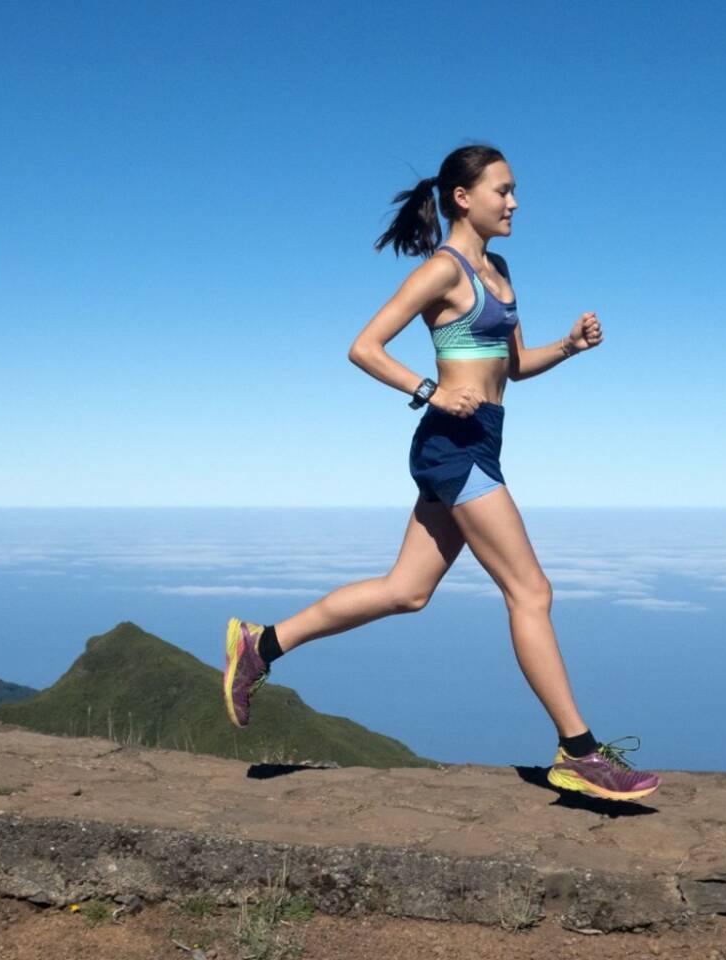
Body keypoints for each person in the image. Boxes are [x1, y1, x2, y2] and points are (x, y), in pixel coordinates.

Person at [221, 143, 660, 802]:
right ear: (463, 197)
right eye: (503, 190)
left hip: (479, 441)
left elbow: (510, 367)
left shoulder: (500, 270)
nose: (514, 203)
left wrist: (568, 348)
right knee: (531, 592)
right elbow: (364, 347)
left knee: (407, 590)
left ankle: (262, 645)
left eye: (515, 192)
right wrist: (428, 389)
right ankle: (580, 754)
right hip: (452, 446)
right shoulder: (444, 272)